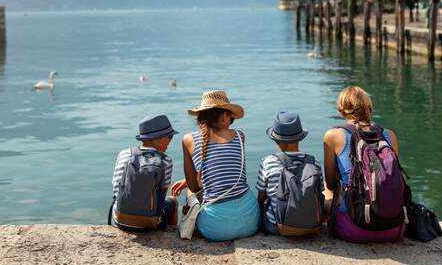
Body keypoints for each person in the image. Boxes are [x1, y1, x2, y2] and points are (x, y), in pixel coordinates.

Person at [323, 86, 405, 243]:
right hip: (394, 228)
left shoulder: (333, 136)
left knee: (326, 190)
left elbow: (331, 183)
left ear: (342, 110)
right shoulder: (389, 135)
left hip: (354, 230)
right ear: (369, 108)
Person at [181, 90, 259, 241]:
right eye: (231, 118)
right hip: (250, 223)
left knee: (189, 191)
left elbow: (194, 186)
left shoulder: (188, 139)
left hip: (214, 229)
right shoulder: (239, 136)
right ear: (224, 116)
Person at [256, 111, 324, 236]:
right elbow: (320, 193)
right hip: (312, 225)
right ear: (300, 138)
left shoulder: (268, 162)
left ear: (276, 141)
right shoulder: (315, 163)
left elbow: (261, 197)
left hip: (277, 227)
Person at [109, 114, 182, 231]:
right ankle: (170, 235)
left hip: (120, 220)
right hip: (150, 223)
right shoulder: (166, 161)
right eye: (169, 136)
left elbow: (116, 189)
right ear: (158, 138)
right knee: (173, 202)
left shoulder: (124, 154)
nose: (170, 140)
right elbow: (161, 197)